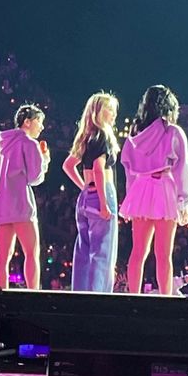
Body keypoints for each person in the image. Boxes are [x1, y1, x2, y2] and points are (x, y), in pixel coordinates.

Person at [120, 85, 188, 295]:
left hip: (140, 189)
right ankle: (165, 297)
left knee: (137, 252)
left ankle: (132, 296)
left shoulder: (134, 134)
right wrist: (184, 200)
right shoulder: (173, 132)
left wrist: (130, 198)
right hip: (164, 188)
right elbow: (182, 169)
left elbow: (129, 170)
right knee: (164, 254)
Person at [62, 92, 119, 293]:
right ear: (98, 112)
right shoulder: (102, 136)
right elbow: (98, 168)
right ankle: (98, 299)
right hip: (102, 194)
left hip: (86, 197)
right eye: (109, 109)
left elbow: (68, 166)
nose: (113, 114)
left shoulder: (86, 136)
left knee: (83, 251)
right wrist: (104, 203)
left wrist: (84, 188)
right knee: (103, 252)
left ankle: (81, 296)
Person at [0, 104, 50, 289]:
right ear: (27, 122)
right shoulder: (29, 143)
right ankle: (33, 294)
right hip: (21, 204)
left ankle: (1, 293)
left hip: (1, 206)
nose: (41, 127)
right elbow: (34, 177)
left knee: (3, 256)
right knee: (32, 252)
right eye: (39, 121)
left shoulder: (1, 146)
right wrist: (45, 160)